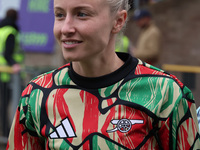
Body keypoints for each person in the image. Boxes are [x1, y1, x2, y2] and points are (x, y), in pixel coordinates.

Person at [6, 0, 200, 149]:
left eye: (81, 14)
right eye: (59, 15)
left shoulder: (166, 92)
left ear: (118, 21)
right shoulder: (37, 95)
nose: (66, 28)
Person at [0, 9, 24, 136]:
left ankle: (5, 131)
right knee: (16, 104)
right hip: (8, 75)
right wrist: (14, 65)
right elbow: (7, 53)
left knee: (4, 105)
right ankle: (8, 133)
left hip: (3, 74)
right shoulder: (11, 32)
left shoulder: (1, 30)